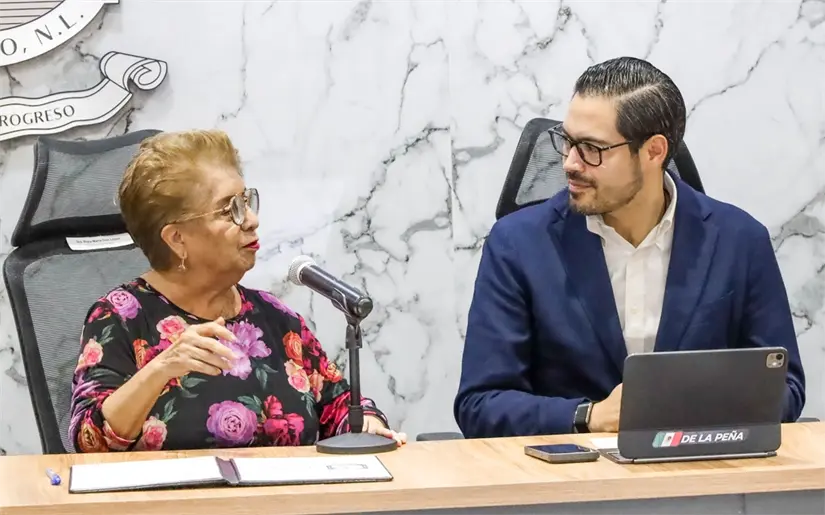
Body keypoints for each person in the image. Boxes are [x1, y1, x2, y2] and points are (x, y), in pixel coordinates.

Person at [454, 56, 805, 438]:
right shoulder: (517, 244)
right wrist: (588, 416)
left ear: (653, 151)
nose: (569, 163)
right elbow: (480, 403)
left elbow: (784, 388)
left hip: (700, 465)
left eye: (592, 148)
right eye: (567, 141)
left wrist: (678, 413)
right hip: (569, 467)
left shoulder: (740, 241)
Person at [68, 129, 406, 452]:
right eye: (230, 209)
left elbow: (341, 406)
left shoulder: (276, 319)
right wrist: (161, 368)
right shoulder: (120, 317)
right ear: (177, 238)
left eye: (247, 201)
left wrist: (368, 425)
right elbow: (88, 441)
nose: (252, 220)